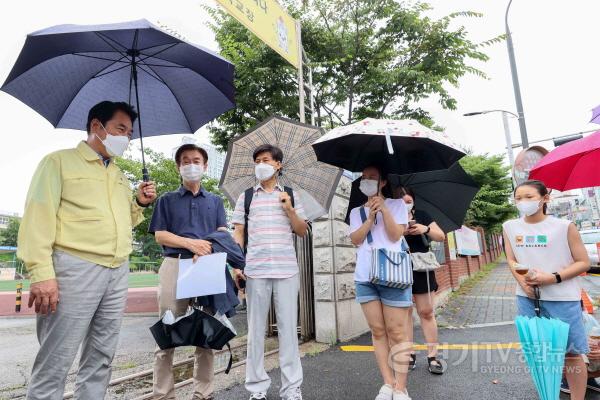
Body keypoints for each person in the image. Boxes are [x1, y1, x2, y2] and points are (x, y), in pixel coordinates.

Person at [17, 101, 157, 400]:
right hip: (74, 267)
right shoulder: (58, 162)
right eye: (121, 129)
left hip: (117, 270)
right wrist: (42, 273)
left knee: (102, 356)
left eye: (130, 133)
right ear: (97, 126)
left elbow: (123, 221)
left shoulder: (118, 175)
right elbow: (37, 218)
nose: (127, 138)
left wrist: (140, 203)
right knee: (57, 358)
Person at [148, 143, 234, 400]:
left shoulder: (215, 201)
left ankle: (203, 393)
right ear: (178, 166)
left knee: (206, 332)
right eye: (185, 161)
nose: (191, 165)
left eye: (196, 160)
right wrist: (189, 243)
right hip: (174, 265)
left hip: (206, 266)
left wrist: (204, 247)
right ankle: (163, 394)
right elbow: (160, 235)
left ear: (205, 166)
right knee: (167, 331)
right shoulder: (166, 199)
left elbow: (222, 233)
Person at [231, 144, 308, 400]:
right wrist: (236, 263)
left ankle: (291, 388)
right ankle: (256, 388)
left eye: (265, 160)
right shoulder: (247, 196)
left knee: (288, 331)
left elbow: (301, 231)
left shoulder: (291, 195)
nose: (260, 164)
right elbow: (239, 231)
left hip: (286, 270)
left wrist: (289, 208)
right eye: (257, 161)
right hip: (256, 270)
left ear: (278, 165)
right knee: (255, 332)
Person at [503, 180, 590, 400]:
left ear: (545, 198)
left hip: (563, 298)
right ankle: (548, 395)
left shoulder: (564, 226)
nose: (523, 202)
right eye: (518, 198)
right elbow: (512, 260)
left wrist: (552, 278)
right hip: (528, 299)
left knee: (571, 353)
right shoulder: (510, 227)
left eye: (529, 197)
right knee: (539, 355)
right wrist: (523, 283)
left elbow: (583, 262)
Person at [349, 166, 412, 400]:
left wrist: (383, 209)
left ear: (383, 182)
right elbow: (356, 240)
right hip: (365, 276)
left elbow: (396, 235)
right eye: (363, 178)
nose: (366, 181)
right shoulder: (356, 212)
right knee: (377, 331)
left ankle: (401, 387)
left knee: (397, 332)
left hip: (393, 274)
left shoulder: (397, 206)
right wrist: (370, 217)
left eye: (372, 178)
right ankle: (387, 383)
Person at [397, 187, 446, 374]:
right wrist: (401, 232)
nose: (404, 201)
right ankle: (409, 354)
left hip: (421, 267)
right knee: (404, 312)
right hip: (399, 267)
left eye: (407, 199)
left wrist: (424, 229)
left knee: (426, 312)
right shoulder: (390, 215)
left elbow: (440, 236)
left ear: (414, 200)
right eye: (399, 198)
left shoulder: (423, 215)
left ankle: (433, 356)